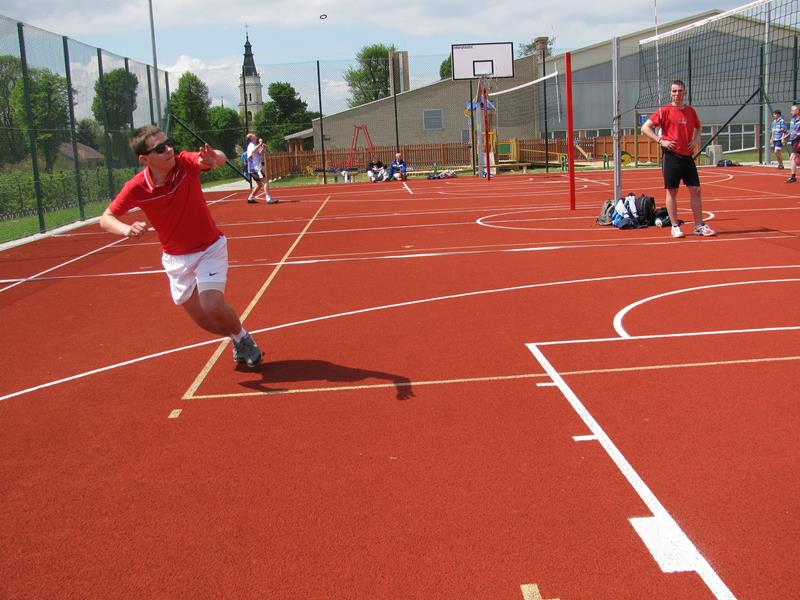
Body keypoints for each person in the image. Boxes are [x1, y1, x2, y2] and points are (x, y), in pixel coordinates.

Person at [99, 125, 263, 367]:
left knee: (211, 306)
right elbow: (106, 218)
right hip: (176, 259)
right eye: (160, 148)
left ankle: (243, 337)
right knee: (203, 320)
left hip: (209, 248)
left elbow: (214, 158)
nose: (169, 150)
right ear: (144, 159)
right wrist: (126, 229)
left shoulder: (184, 163)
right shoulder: (137, 187)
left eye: (169, 143)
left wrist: (214, 158)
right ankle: (236, 339)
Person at [641, 79, 715, 238]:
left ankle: (698, 226)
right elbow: (645, 127)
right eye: (674, 91)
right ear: (670, 93)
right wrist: (661, 141)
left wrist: (695, 140)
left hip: (687, 157)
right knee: (672, 191)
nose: (677, 94)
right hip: (671, 157)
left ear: (685, 92)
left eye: (680, 91)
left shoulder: (690, 111)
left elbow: (699, 127)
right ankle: (675, 226)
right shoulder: (664, 110)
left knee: (696, 190)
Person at [245, 133, 270, 203]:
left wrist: (263, 147)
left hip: (254, 168)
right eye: (253, 135)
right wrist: (260, 143)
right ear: (251, 138)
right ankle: (268, 198)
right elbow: (253, 151)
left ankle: (250, 198)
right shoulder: (251, 145)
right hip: (255, 168)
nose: (255, 135)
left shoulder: (254, 145)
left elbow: (260, 153)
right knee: (265, 182)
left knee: (259, 184)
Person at [785, 104, 800, 183]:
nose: (791, 112)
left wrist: (798, 133)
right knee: (794, 158)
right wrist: (787, 136)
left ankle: (793, 177)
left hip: (798, 140)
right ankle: (793, 177)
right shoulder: (792, 120)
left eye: (792, 110)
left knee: (793, 157)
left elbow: (796, 132)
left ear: (797, 111)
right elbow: (791, 130)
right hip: (793, 140)